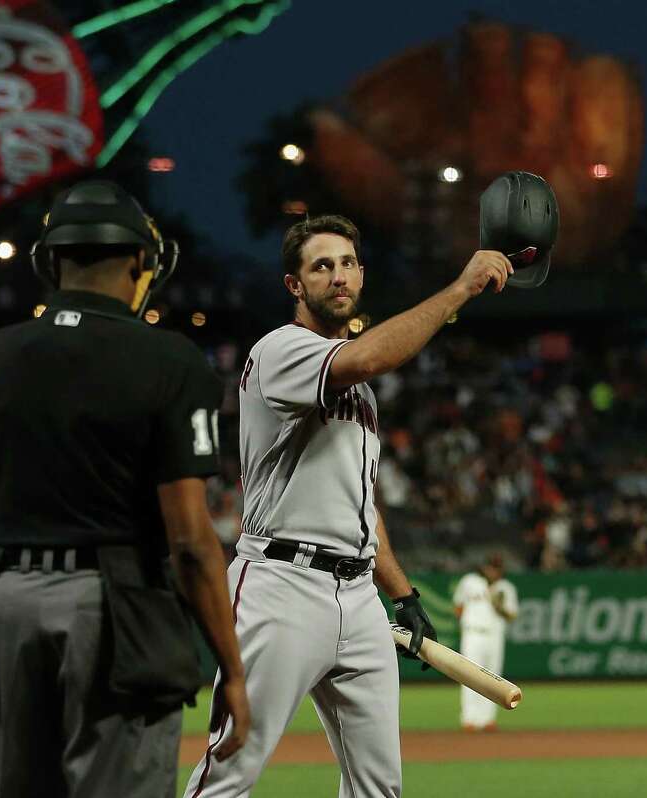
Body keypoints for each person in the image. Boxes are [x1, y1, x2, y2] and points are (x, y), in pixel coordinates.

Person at [184, 215, 515, 797]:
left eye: (347, 263)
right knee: (230, 771)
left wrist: (403, 594)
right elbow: (365, 358)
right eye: (321, 266)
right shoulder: (280, 350)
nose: (338, 276)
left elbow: (362, 508)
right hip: (280, 585)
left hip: (358, 593)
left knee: (378, 786)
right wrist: (460, 289)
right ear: (295, 285)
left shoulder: (357, 389)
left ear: (361, 273)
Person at [0, 180, 249, 798]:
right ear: (143, 262)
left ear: (52, 262)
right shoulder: (170, 360)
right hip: (112, 606)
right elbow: (189, 541)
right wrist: (232, 672)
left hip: (9, 604)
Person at [453, 554, 519, 731]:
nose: (494, 571)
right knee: (470, 676)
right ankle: (470, 719)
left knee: (494, 678)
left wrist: (501, 608)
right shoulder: (470, 582)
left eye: (497, 568)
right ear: (484, 567)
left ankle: (487, 719)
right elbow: (458, 607)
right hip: (473, 634)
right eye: (491, 567)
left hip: (495, 635)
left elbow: (512, 615)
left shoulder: (506, 587)